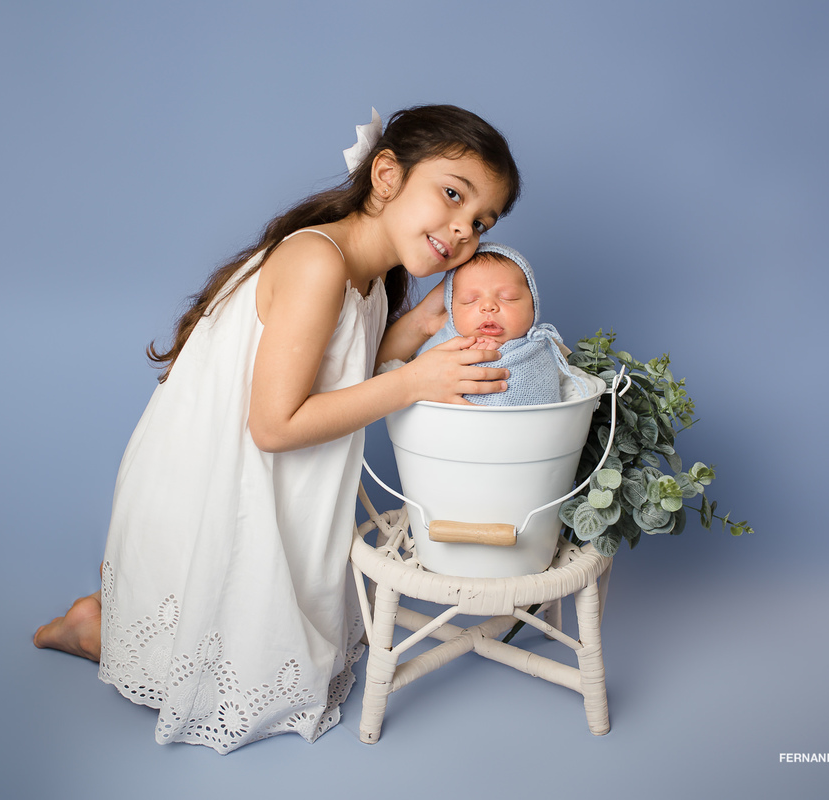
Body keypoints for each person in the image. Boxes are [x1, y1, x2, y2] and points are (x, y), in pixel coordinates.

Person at [33, 105, 520, 752]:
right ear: (385, 176)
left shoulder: (371, 275)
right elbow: (273, 423)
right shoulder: (319, 262)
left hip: (273, 468)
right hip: (223, 469)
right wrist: (413, 382)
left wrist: (424, 327)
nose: (463, 229)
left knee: (280, 629)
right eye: (453, 195)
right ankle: (94, 628)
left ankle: (100, 617)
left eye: (481, 222)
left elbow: (343, 372)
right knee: (232, 654)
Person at [415, 242, 586, 405]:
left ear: (533, 307)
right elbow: (420, 380)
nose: (488, 306)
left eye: (508, 297)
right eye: (470, 300)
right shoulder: (443, 344)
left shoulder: (540, 347)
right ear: (451, 310)